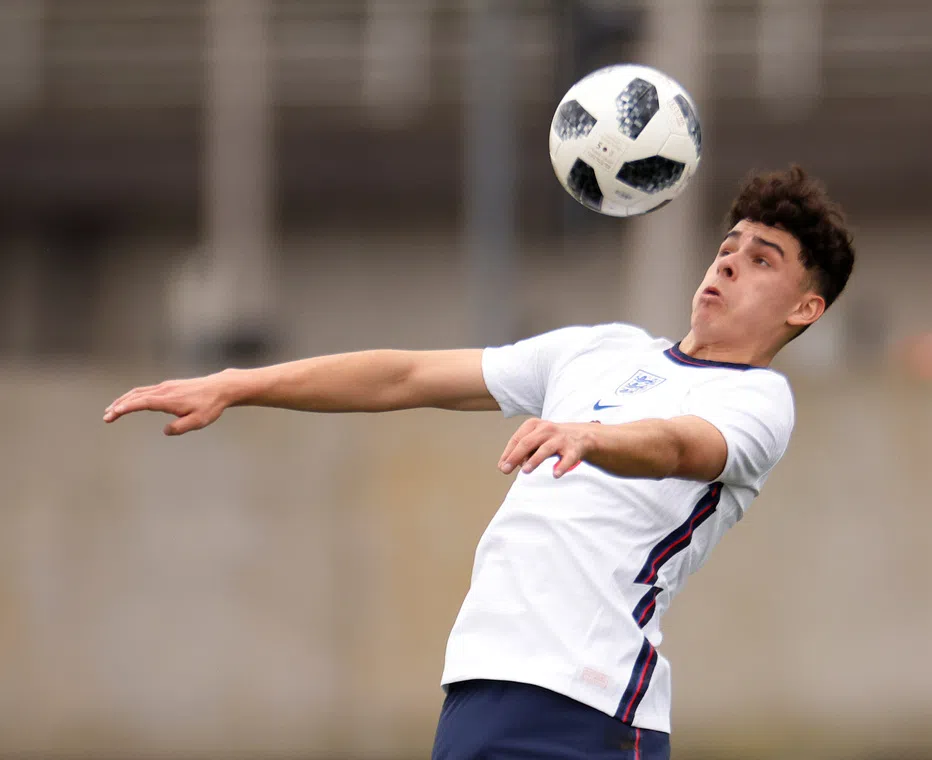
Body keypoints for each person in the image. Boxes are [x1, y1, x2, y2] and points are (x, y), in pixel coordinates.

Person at [103, 165, 856, 759]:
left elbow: (680, 447)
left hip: (591, 706)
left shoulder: (760, 401)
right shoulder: (600, 350)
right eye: (727, 248)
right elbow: (404, 376)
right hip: (480, 683)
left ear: (804, 309)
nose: (729, 264)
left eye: (761, 261)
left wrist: (591, 438)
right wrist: (240, 384)